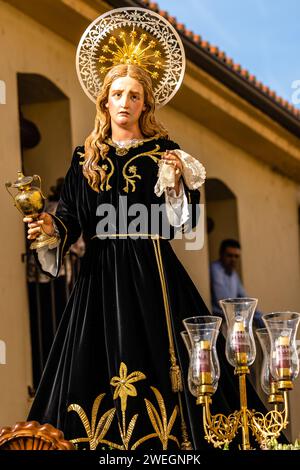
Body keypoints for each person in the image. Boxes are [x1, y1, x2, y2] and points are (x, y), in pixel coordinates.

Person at [23, 8, 264, 450]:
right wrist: (49, 228)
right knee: (89, 362)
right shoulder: (85, 159)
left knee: (167, 357)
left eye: (135, 95)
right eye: (118, 93)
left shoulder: (163, 152)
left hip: (152, 274)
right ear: (105, 100)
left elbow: (181, 223)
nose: (126, 102)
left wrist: (174, 184)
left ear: (146, 103)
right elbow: (71, 218)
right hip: (97, 278)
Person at [210, 239, 263, 326]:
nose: (233, 259)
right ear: (221, 254)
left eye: (236, 256)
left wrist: (263, 320)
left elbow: (246, 299)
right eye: (229, 256)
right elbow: (224, 302)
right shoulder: (215, 269)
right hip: (219, 323)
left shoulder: (233, 274)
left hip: (233, 319)